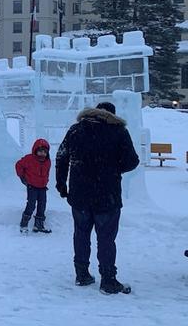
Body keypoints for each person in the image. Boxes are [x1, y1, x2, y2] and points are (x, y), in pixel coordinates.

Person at [55, 101, 139, 294]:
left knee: (81, 234)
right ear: (112, 114)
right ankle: (108, 280)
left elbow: (62, 156)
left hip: (79, 194)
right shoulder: (118, 131)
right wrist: (113, 169)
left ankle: (82, 274)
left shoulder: (76, 130)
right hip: (107, 195)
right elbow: (132, 161)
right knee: (106, 238)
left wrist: (61, 183)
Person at [15, 138, 52, 233]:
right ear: (35, 150)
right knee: (31, 205)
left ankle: (38, 225)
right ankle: (24, 224)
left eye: (45, 152)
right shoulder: (29, 159)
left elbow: (46, 173)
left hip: (42, 187)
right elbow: (18, 165)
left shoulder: (47, 161)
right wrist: (22, 177)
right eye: (40, 151)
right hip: (32, 186)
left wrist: (46, 181)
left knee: (42, 205)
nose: (42, 153)